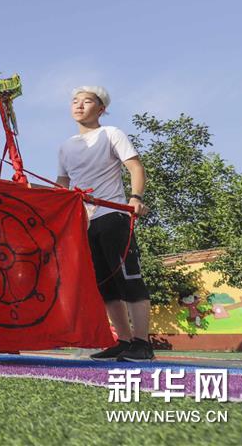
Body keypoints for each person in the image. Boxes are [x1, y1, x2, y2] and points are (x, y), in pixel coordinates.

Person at [56, 86, 153, 362]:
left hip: (114, 217)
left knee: (129, 278)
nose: (79, 105)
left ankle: (142, 343)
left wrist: (135, 197)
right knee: (106, 285)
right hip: (85, 224)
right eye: (75, 101)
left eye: (88, 101)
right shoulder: (65, 147)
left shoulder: (111, 134)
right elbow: (63, 186)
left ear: (101, 109)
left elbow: (135, 166)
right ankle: (122, 341)